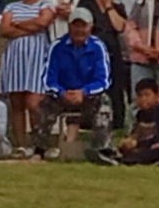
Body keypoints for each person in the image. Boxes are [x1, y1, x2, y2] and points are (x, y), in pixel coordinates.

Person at [0, 0, 59, 156]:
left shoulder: (45, 4)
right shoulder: (11, 6)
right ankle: (21, 145)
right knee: (17, 102)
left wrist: (18, 24)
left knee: (34, 102)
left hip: (38, 57)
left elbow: (43, 21)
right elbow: (5, 30)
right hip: (15, 58)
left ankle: (39, 142)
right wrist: (30, 27)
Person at [44, 10, 117, 162]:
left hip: (88, 96)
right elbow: (48, 79)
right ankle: (40, 149)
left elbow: (103, 80)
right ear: (69, 26)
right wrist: (62, 92)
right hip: (62, 96)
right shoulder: (57, 47)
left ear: (90, 27)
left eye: (83, 25)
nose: (79, 30)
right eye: (75, 25)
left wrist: (84, 92)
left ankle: (100, 149)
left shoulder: (98, 47)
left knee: (104, 102)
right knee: (43, 103)